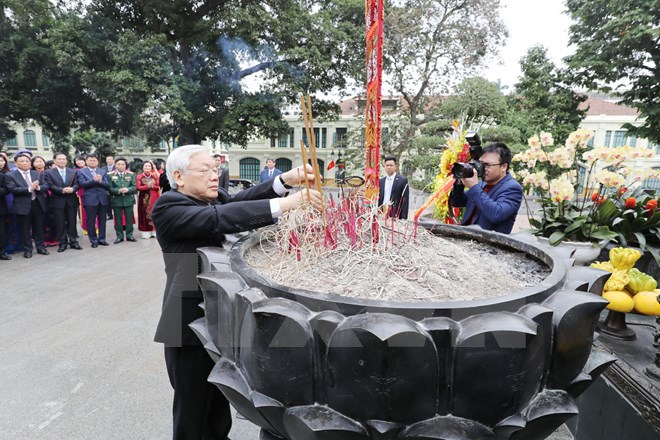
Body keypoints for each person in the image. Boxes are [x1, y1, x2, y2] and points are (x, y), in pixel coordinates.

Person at [151, 144, 322, 440]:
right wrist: (286, 204)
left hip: (221, 318)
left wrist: (285, 181)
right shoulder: (169, 205)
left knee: (219, 402)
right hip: (187, 323)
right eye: (204, 170)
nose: (214, 176)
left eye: (215, 170)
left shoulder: (207, 200)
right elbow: (221, 218)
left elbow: (238, 201)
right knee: (192, 408)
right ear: (178, 176)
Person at [449, 142, 523, 234]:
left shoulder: (512, 188)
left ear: (504, 167)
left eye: (487, 165)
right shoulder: (481, 184)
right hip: (466, 239)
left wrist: (474, 187)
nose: (483, 168)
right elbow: (457, 202)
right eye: (481, 164)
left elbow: (496, 214)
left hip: (489, 244)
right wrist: (459, 182)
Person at [5, 151, 49, 258]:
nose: (24, 163)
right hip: (22, 205)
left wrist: (38, 188)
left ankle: (40, 247)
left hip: (37, 203)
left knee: (39, 227)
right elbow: (12, 189)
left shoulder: (37, 173)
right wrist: (30, 188)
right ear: (16, 163)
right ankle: (28, 249)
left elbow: (45, 186)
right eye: (21, 161)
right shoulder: (10, 175)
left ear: (30, 163)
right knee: (25, 228)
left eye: (27, 161)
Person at [44, 152, 82, 252]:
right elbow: (50, 185)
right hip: (57, 201)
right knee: (60, 223)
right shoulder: (49, 172)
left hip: (71, 200)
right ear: (55, 161)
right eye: (59, 159)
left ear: (67, 160)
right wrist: (62, 190)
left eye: (64, 159)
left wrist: (73, 189)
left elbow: (77, 184)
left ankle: (73, 242)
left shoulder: (73, 172)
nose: (62, 161)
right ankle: (62, 243)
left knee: (72, 222)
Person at [77, 152, 110, 247]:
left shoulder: (102, 171)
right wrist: (94, 180)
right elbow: (82, 184)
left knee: (102, 220)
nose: (92, 162)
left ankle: (102, 239)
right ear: (86, 161)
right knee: (90, 221)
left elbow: (107, 185)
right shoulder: (81, 172)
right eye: (90, 160)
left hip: (102, 199)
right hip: (90, 200)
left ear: (98, 161)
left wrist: (100, 181)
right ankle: (93, 240)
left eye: (94, 160)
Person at [108, 157, 137, 243]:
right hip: (116, 200)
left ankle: (129, 235)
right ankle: (119, 236)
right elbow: (109, 187)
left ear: (125, 165)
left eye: (122, 164)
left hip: (128, 200)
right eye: (118, 164)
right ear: (115, 165)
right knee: (118, 220)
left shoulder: (131, 174)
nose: (120, 166)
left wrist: (128, 189)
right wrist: (118, 190)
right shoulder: (110, 175)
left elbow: (134, 187)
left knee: (129, 219)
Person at [136, 160, 160, 239]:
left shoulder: (155, 176)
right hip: (144, 199)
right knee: (144, 213)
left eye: (149, 166)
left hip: (154, 197)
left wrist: (152, 186)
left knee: (154, 212)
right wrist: (147, 186)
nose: (147, 167)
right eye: (145, 166)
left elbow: (158, 187)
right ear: (143, 167)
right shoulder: (139, 176)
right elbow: (138, 187)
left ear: (151, 167)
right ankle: (145, 231)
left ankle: (154, 230)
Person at [0, 154, 10, 260]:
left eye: (1, 160)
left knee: (2, 232)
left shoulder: (3, 176)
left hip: (1, 208)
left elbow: (7, 189)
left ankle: (2, 252)